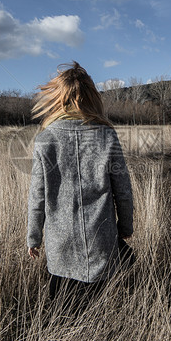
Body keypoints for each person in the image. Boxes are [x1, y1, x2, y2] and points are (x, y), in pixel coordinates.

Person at [26, 62, 134, 311]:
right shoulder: (107, 135)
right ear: (91, 97)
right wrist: (125, 226)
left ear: (57, 98)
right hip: (101, 241)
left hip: (60, 246)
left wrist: (34, 237)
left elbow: (37, 197)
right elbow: (123, 190)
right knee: (100, 315)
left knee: (63, 315)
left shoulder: (45, 139)